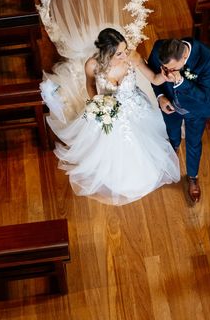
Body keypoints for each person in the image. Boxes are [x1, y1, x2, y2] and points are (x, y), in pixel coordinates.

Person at [46, 28, 181, 206]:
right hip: (109, 110)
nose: (124, 55)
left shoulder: (132, 57)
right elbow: (90, 86)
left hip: (136, 107)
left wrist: (167, 77)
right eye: (119, 53)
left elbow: (154, 79)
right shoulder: (92, 65)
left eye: (125, 50)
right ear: (107, 53)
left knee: (144, 143)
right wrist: (97, 104)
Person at [147, 37, 210, 204]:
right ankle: (171, 155)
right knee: (172, 134)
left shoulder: (206, 57)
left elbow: (203, 96)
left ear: (183, 58)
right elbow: (154, 76)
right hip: (169, 104)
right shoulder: (160, 47)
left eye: (172, 68)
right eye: (165, 68)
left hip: (195, 109)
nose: (167, 72)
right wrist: (160, 97)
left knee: (193, 142)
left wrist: (181, 81)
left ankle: (192, 176)